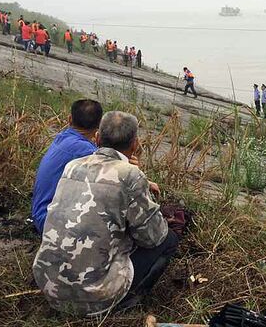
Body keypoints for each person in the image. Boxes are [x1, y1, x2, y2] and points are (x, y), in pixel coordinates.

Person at [32, 111, 177, 316]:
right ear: (134, 144)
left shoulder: (72, 166)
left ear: (98, 138)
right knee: (169, 239)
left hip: (46, 282)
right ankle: (124, 304)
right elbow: (153, 237)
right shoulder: (131, 175)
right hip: (92, 299)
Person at [31, 100, 103, 234]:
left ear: (70, 119)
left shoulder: (63, 137)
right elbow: (113, 176)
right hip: (48, 222)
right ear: (98, 126)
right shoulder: (85, 150)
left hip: (40, 213)